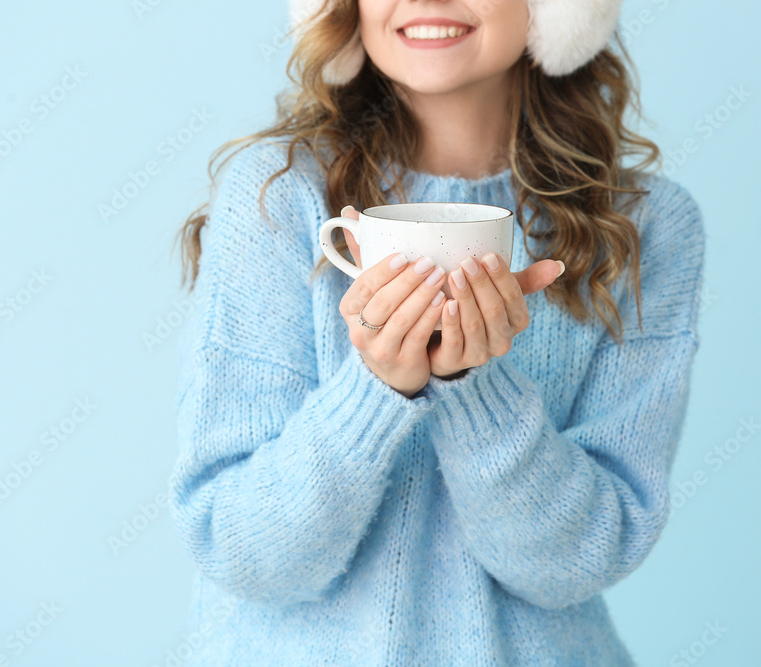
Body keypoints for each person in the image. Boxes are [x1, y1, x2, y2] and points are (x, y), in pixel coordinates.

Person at [168, 0, 705, 664]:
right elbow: (242, 550)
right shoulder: (278, 200)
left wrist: (475, 391)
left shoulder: (646, 232)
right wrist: (373, 389)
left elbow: (579, 559)